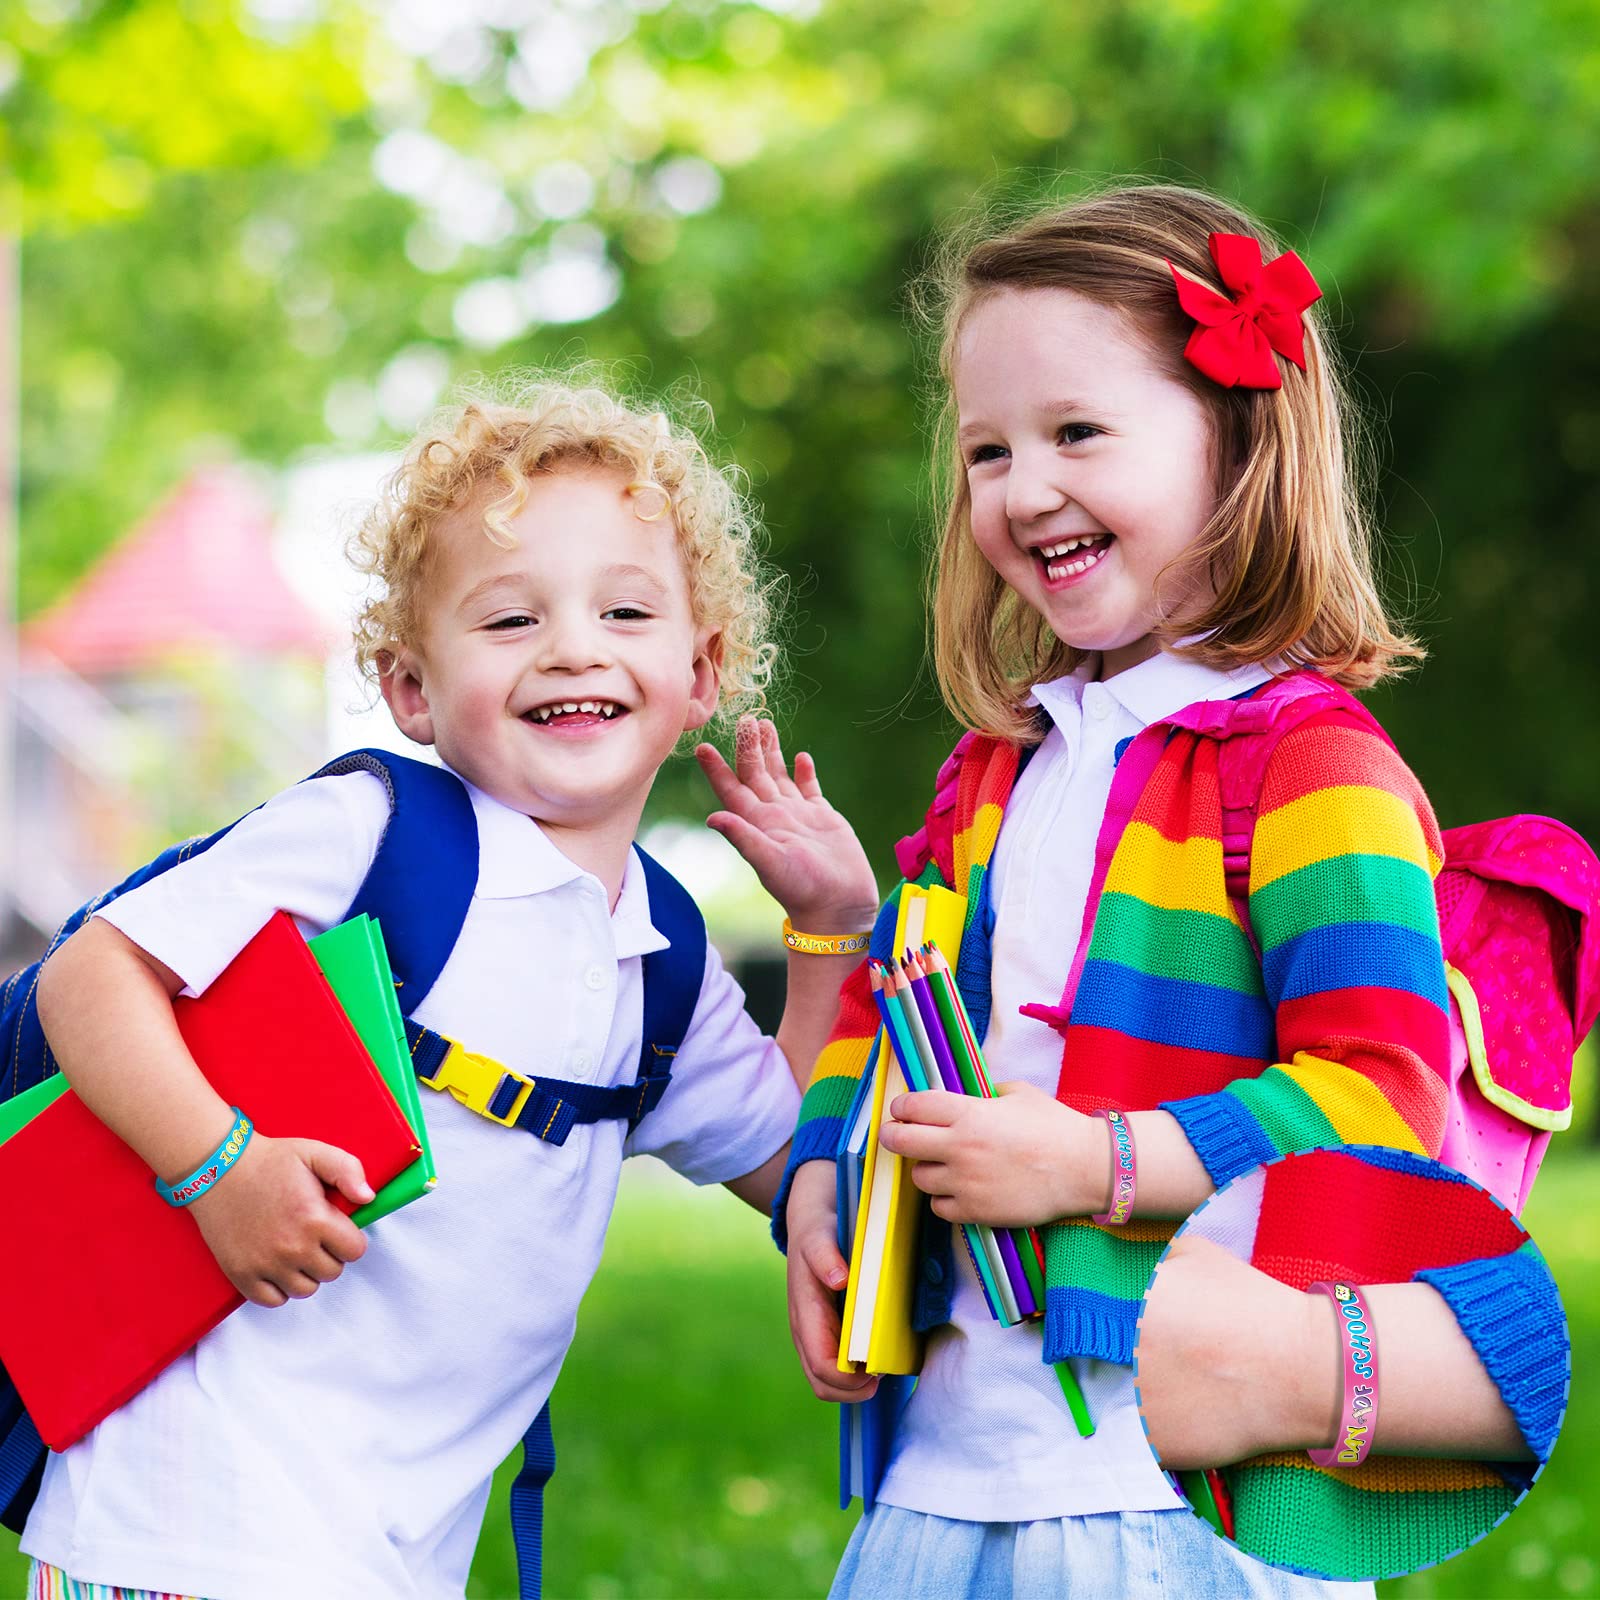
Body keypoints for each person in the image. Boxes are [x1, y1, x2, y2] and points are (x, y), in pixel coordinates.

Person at [712, 183, 1456, 1596]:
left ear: (1237, 439)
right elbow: (892, 1004)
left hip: (1182, 1486)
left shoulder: (1309, 764)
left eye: (1076, 433)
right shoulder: (994, 772)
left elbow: (1385, 1092)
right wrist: (821, 1176)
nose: (1023, 487)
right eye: (987, 449)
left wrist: (1101, 1165)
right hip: (950, 1466)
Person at [21, 379, 880, 1600]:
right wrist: (218, 1166)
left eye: (624, 609)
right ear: (412, 688)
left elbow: (798, 1161)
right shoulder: (371, 829)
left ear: (703, 670)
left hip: (393, 1551)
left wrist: (829, 937)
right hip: (193, 1514)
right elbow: (93, 972)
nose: (573, 646)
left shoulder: (662, 956)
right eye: (509, 620)